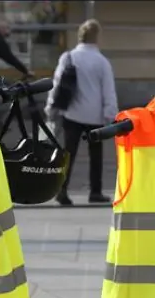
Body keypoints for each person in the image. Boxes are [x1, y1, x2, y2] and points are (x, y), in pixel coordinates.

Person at [47, 19, 117, 206]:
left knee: (68, 154)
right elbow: (108, 91)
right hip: (95, 117)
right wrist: (111, 115)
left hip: (72, 114)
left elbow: (56, 84)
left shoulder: (68, 57)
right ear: (97, 37)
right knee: (96, 156)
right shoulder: (102, 62)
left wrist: (50, 108)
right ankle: (95, 191)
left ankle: (62, 190)